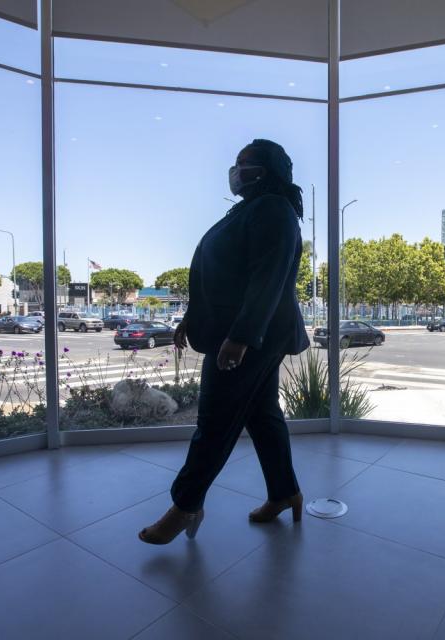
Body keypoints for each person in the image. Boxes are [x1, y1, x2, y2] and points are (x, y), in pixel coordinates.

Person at [139, 139, 310, 545]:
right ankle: (285, 493)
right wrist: (190, 317)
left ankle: (185, 506)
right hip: (244, 332)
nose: (236, 170)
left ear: (265, 170)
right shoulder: (249, 210)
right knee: (263, 417)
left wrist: (241, 337)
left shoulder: (273, 209)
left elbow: (268, 279)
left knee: (213, 422)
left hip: (252, 337)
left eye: (244, 163)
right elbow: (222, 278)